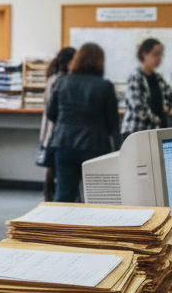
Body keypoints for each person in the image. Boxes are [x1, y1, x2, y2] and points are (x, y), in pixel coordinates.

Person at [46, 43, 120, 202]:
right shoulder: (105, 86)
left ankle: (61, 225)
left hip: (64, 143)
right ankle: (91, 226)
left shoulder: (62, 82)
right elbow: (113, 123)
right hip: (95, 146)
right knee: (96, 197)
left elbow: (51, 114)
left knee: (64, 194)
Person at [37, 46, 75, 200]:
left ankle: (49, 197)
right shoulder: (60, 80)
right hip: (55, 129)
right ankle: (50, 197)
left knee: (51, 167)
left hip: (50, 129)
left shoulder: (53, 78)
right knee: (53, 167)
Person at [121, 38, 172, 137]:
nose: (159, 58)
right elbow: (138, 108)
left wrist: (166, 107)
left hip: (157, 129)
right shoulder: (135, 77)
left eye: (161, 54)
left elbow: (170, 98)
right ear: (144, 54)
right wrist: (157, 120)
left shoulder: (158, 78)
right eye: (156, 54)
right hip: (137, 131)